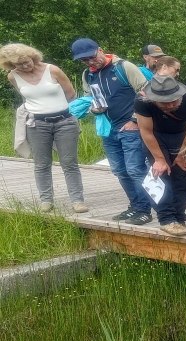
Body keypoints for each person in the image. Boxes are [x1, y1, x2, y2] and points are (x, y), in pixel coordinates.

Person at [72, 37, 151, 224]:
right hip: (108, 128)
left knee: (135, 170)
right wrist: (93, 109)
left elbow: (148, 94)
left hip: (131, 127)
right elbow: (88, 99)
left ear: (100, 50)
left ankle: (145, 210)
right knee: (119, 170)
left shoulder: (124, 67)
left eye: (92, 57)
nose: (91, 62)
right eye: (85, 60)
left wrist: (134, 120)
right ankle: (135, 206)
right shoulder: (87, 75)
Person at [1, 43, 87, 213]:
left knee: (69, 162)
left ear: (32, 57)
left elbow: (71, 94)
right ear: (12, 65)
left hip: (64, 121)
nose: (25, 66)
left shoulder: (52, 70)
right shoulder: (13, 77)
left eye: (27, 62)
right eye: (20, 65)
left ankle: (77, 200)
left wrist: (57, 109)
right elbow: (27, 97)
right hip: (37, 124)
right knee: (41, 163)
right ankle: (46, 200)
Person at [135, 75, 186, 236]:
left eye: (174, 101)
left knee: (182, 177)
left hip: (183, 136)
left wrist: (181, 155)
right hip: (156, 137)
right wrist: (159, 159)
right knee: (162, 175)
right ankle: (166, 219)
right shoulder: (142, 100)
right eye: (164, 103)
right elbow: (146, 131)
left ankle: (179, 218)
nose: (170, 105)